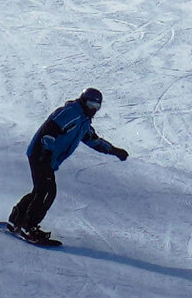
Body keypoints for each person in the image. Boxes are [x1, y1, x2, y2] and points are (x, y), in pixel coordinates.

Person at [8, 88, 128, 241]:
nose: (93, 109)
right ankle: (28, 226)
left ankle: (18, 218)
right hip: (41, 154)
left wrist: (114, 151)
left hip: (47, 158)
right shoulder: (72, 113)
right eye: (91, 104)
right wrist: (46, 150)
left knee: (41, 190)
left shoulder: (83, 122)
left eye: (97, 107)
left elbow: (93, 141)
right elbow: (51, 129)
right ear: (84, 100)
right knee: (46, 191)